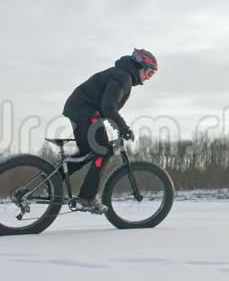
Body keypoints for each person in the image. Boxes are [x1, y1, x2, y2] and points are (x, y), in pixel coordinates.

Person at [62, 48, 158, 213]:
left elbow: (106, 106)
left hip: (79, 109)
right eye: (149, 73)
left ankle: (53, 179)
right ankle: (87, 197)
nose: (148, 78)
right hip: (85, 111)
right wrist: (123, 127)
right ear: (140, 65)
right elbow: (108, 106)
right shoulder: (123, 78)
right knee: (103, 151)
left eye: (152, 75)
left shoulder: (121, 74)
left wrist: (115, 123)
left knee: (88, 151)